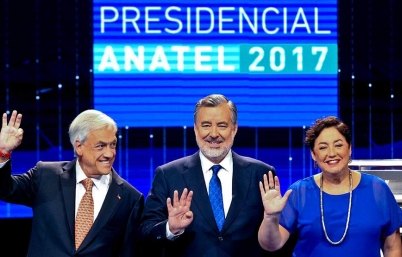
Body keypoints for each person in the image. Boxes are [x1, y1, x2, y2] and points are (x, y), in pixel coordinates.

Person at [140, 93, 291, 257]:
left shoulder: (261, 174)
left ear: (234, 129)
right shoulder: (168, 175)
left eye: (222, 125)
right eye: (206, 125)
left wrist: (271, 217)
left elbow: (274, 243)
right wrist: (171, 228)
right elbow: (145, 232)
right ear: (195, 129)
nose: (213, 133)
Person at [0, 109, 144, 256]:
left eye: (112, 145)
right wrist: (3, 153)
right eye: (100, 146)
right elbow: (5, 189)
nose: (109, 153)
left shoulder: (130, 198)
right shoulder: (46, 176)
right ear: (79, 146)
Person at [258, 116, 402, 257]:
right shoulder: (299, 192)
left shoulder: (377, 189)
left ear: (350, 148)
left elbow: (392, 247)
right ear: (314, 154)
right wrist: (270, 217)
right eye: (323, 147)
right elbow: (271, 245)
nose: (332, 153)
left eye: (338, 145)